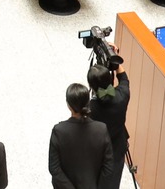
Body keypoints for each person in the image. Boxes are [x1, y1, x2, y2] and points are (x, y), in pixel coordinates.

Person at [48, 82, 114, 189]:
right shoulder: (102, 129)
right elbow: (108, 167)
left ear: (68, 105)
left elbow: (54, 168)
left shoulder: (59, 131)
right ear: (87, 102)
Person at [88, 59, 132, 189]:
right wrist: (114, 59)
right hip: (117, 147)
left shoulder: (90, 108)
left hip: (97, 151)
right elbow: (124, 78)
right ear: (111, 80)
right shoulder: (123, 94)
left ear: (91, 86)